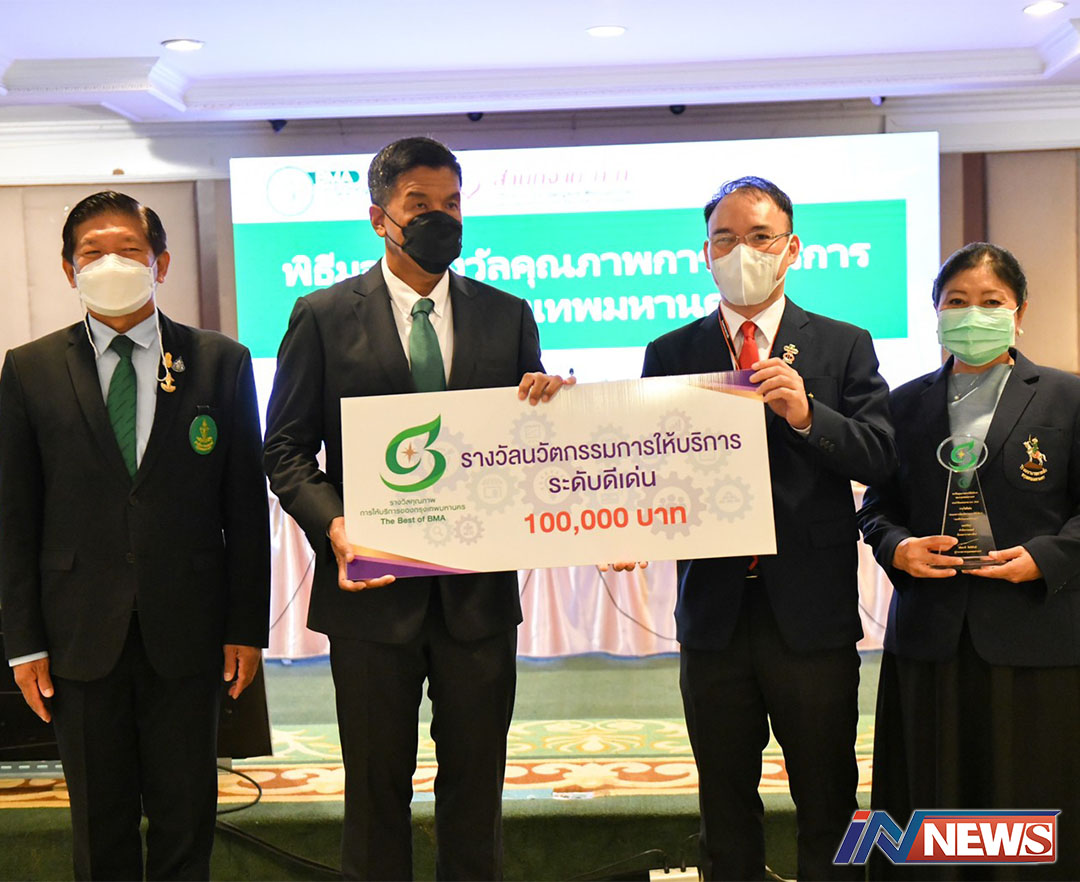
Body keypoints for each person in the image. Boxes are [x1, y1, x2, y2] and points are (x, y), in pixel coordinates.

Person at [263, 136, 570, 881]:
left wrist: (552, 407)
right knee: (375, 794)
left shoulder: (507, 314)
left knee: (476, 791)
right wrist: (335, 524)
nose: (441, 218)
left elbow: (526, 440)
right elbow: (286, 449)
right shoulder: (322, 314)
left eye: (453, 203)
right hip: (372, 596)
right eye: (420, 204)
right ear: (380, 217)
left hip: (478, 598)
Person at [0, 191, 270, 880]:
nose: (110, 263)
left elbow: (244, 506)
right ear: (69, 269)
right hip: (78, 635)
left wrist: (246, 626)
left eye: (128, 249)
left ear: (161, 263)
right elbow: (15, 515)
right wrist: (23, 641)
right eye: (92, 253)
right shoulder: (29, 369)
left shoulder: (220, 362)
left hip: (190, 629)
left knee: (187, 820)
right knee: (100, 826)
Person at [633, 176, 896, 880]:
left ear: (792, 248)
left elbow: (880, 456)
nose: (740, 252)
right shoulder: (669, 352)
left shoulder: (843, 345)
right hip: (714, 615)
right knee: (723, 807)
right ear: (704, 253)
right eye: (724, 239)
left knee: (828, 799)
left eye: (758, 237)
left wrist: (809, 415)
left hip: (811, 615)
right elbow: (648, 469)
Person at [857, 242, 1080, 880]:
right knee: (934, 809)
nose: (972, 314)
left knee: (1031, 803)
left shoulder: (1066, 397)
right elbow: (877, 508)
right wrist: (898, 546)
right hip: (931, 638)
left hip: (1035, 633)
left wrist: (1044, 557)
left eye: (990, 301)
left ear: (1019, 312)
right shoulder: (903, 404)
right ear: (936, 312)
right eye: (956, 301)